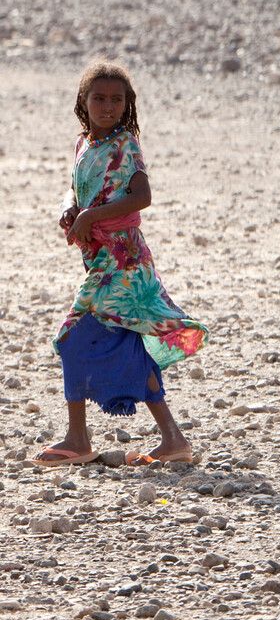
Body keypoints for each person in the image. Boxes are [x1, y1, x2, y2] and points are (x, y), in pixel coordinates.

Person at [34, 61, 208, 468]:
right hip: (101, 260)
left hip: (123, 263)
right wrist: (70, 209)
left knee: (72, 339)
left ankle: (78, 439)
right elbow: (74, 186)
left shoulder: (125, 144)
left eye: (117, 99)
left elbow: (141, 196)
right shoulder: (84, 144)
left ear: (127, 104)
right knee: (128, 342)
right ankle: (173, 438)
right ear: (83, 101)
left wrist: (91, 217)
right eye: (99, 98)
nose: (108, 106)